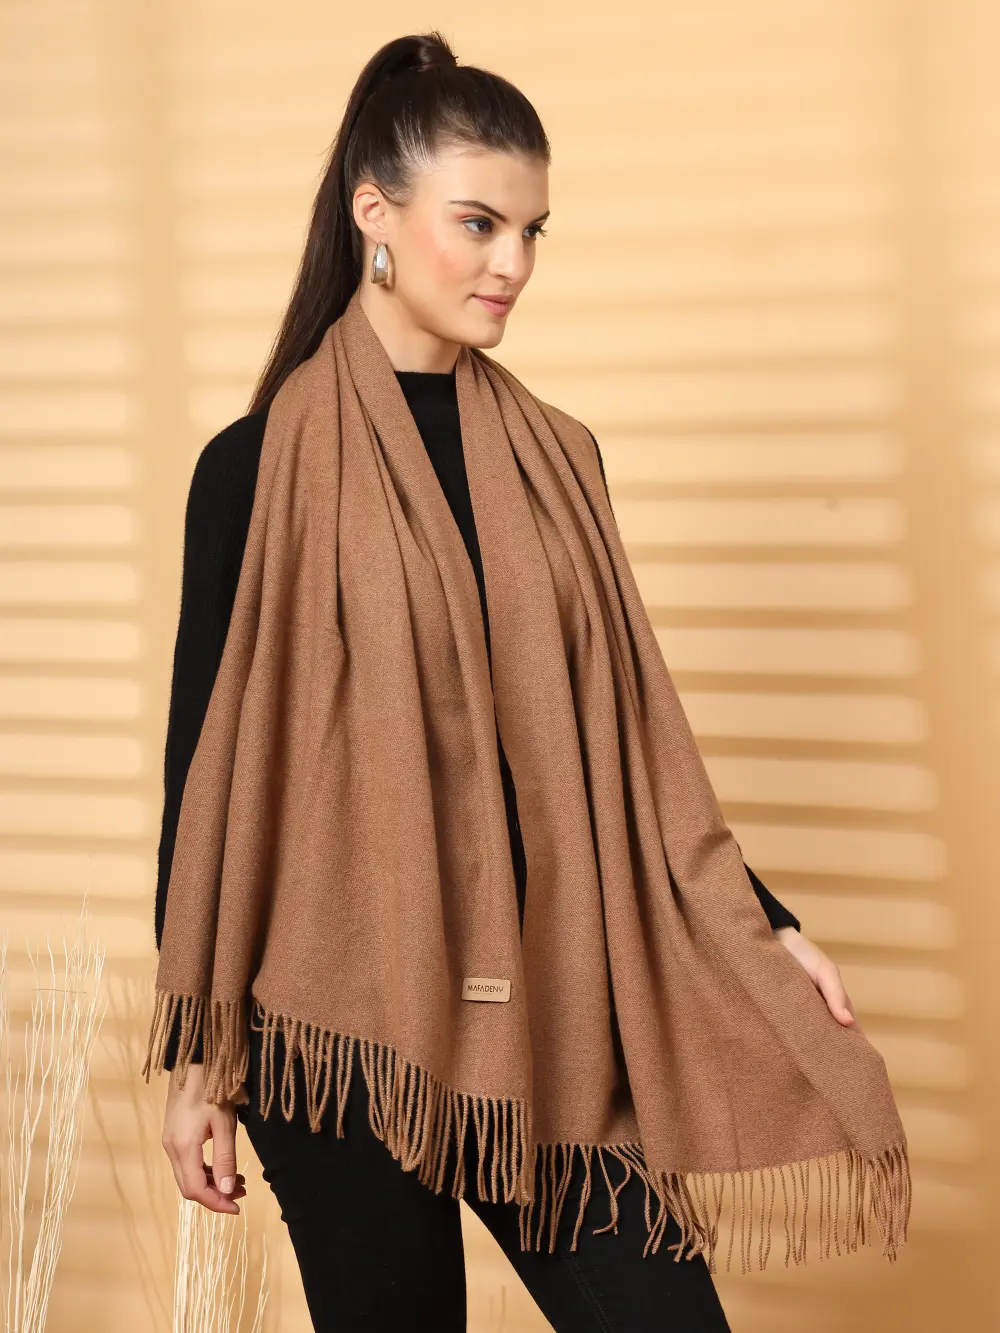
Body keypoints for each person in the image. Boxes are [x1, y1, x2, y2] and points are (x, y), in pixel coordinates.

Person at [153, 31, 872, 1333]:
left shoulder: (559, 461)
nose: (515, 265)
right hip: (337, 1027)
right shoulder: (254, 468)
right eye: (479, 224)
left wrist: (763, 923)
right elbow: (205, 781)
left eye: (534, 231)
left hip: (548, 1000)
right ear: (375, 213)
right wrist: (199, 1061)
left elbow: (628, 733)